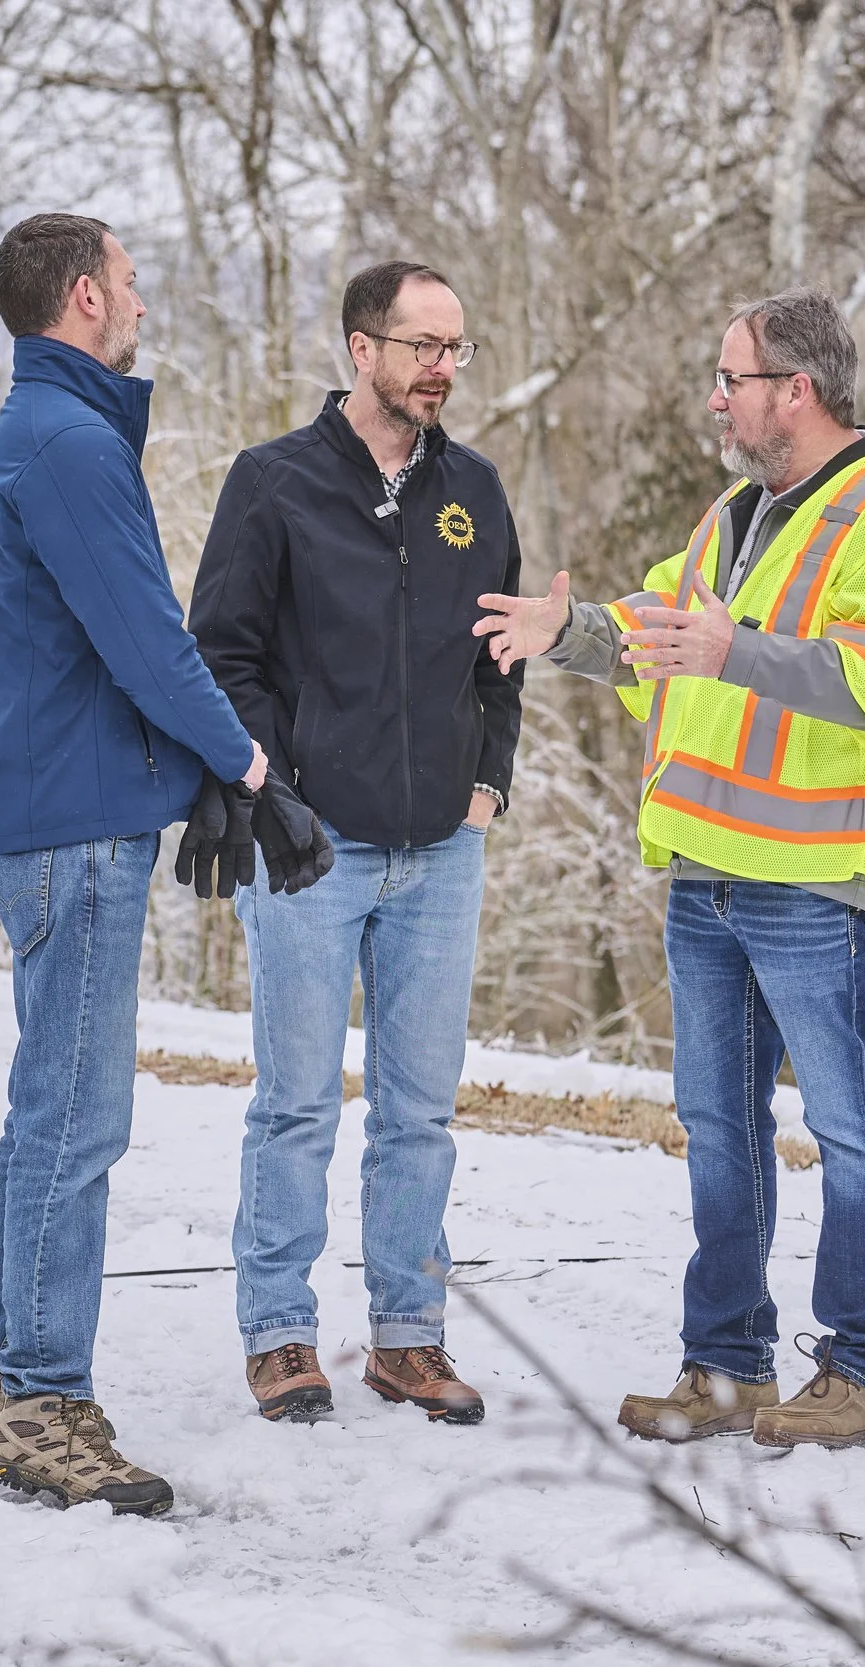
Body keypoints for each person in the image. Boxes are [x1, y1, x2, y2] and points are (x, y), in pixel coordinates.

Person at [473, 288, 865, 1450]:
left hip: (815, 879)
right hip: (705, 871)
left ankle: (858, 1366)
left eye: (729, 375)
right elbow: (659, 633)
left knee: (849, 1126)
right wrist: (572, 633)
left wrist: (732, 650)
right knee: (718, 1123)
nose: (714, 397)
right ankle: (727, 1364)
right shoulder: (734, 513)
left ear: (795, 389)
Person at [0, 213, 274, 1514]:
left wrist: (200, 766)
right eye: (131, 283)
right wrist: (247, 766)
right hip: (74, 828)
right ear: (86, 297)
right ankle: (42, 1396)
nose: (143, 301)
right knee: (78, 1121)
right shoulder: (71, 445)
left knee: (47, 1107)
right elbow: (147, 637)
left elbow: (109, 641)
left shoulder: (45, 433)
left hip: (61, 810)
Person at [189, 260, 523, 1427]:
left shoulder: (471, 490)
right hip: (311, 848)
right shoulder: (273, 483)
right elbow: (220, 653)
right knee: (294, 1102)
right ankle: (280, 1331)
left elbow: (503, 654)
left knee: (420, 1107)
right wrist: (273, 790)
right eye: (422, 345)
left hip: (441, 852)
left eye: (456, 349)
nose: (441, 369)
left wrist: (487, 782)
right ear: (359, 349)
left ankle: (407, 1337)